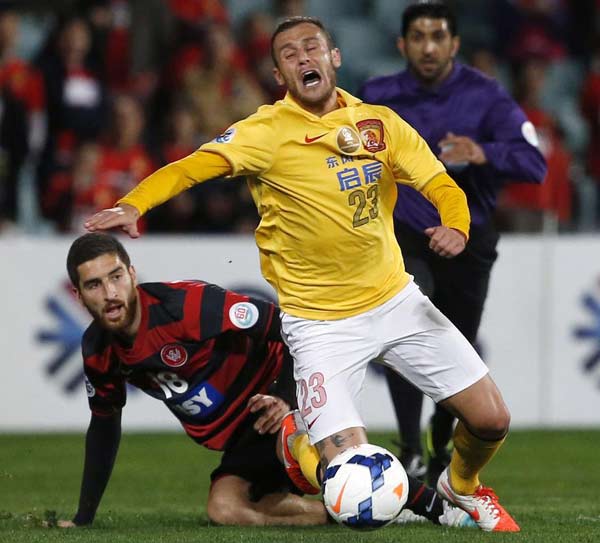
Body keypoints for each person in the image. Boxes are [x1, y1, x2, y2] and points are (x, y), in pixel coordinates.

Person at [85, 16, 521, 532]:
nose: (302, 57)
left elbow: (440, 182)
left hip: (395, 300)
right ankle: (308, 445)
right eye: (288, 54)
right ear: (278, 75)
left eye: (311, 47)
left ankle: (461, 487)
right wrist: (135, 205)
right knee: (343, 469)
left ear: (334, 57)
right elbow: (189, 167)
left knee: (492, 419)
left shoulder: (379, 123)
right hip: (320, 327)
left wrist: (458, 226)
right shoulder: (264, 133)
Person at [60, 232, 472, 528]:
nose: (109, 292)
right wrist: (84, 518)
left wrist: (285, 397)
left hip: (282, 397)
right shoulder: (98, 349)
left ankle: (438, 506)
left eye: (115, 277)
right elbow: (104, 426)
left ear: (132, 274)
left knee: (302, 449)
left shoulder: (187, 307)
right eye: (94, 285)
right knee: (224, 510)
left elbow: (290, 328)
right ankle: (350, 510)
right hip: (242, 433)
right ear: (78, 295)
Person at [359, 1, 546, 486]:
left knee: (455, 350)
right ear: (401, 44)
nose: (428, 46)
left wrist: (483, 151)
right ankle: (408, 448)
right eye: (418, 36)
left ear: (455, 43)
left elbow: (534, 163)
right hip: (402, 236)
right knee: (403, 330)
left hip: (469, 239)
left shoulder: (486, 96)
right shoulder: (376, 97)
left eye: (438, 36)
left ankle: (438, 445)